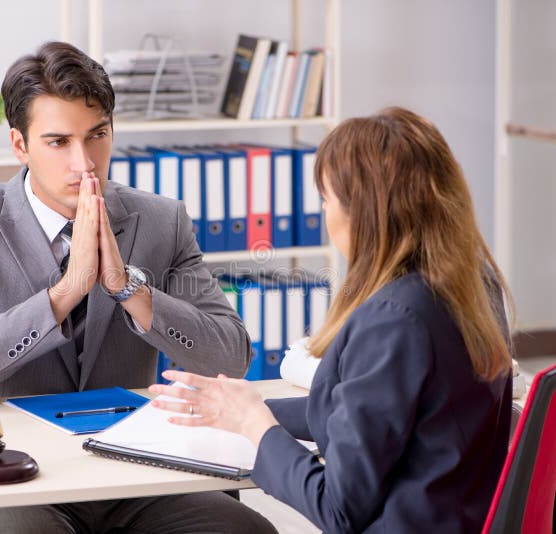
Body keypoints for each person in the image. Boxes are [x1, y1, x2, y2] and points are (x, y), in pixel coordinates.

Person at [0, 41, 276, 534]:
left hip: (137, 476)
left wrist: (130, 290)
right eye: (58, 141)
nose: (84, 163)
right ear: (20, 145)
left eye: (97, 135)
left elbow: (232, 358)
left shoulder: (161, 220)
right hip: (15, 483)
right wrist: (67, 292)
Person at [150, 107, 514, 533]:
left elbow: (338, 509)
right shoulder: (473, 285)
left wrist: (256, 426)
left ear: (364, 211)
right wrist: (244, 407)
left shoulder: (393, 322)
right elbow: (373, 414)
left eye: (326, 200)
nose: (324, 215)